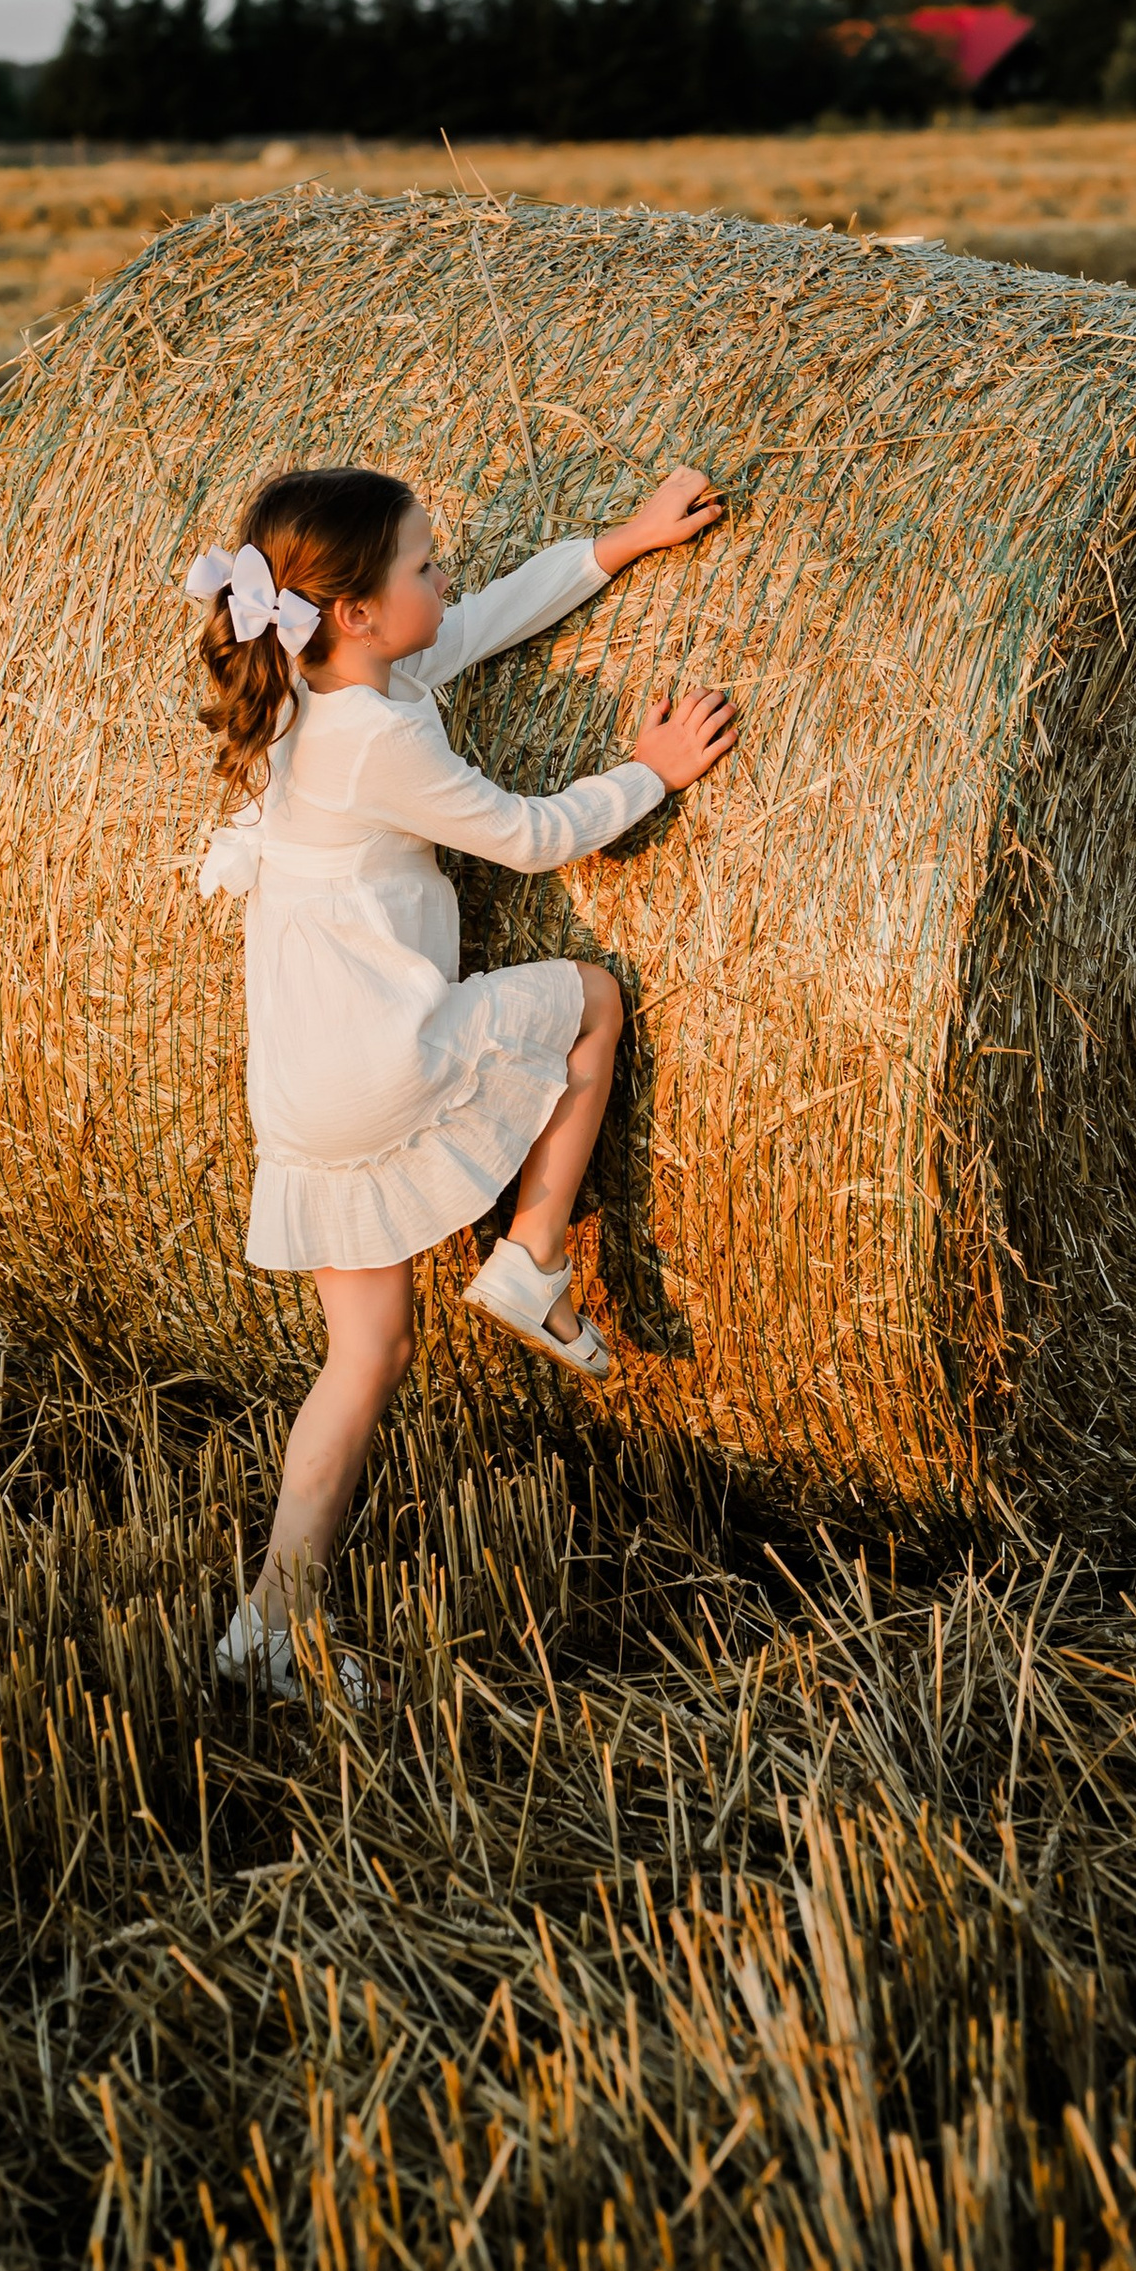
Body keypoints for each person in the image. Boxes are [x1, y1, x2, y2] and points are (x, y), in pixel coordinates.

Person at [187, 464, 737, 1699]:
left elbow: (484, 617)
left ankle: (268, 1622)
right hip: (382, 1053)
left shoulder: (313, 683)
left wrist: (620, 543)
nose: (447, 574)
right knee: (589, 999)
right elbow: (533, 835)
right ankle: (532, 1254)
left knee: (366, 1353)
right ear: (357, 611)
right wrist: (651, 771)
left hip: (303, 1080)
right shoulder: (379, 740)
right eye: (424, 563)